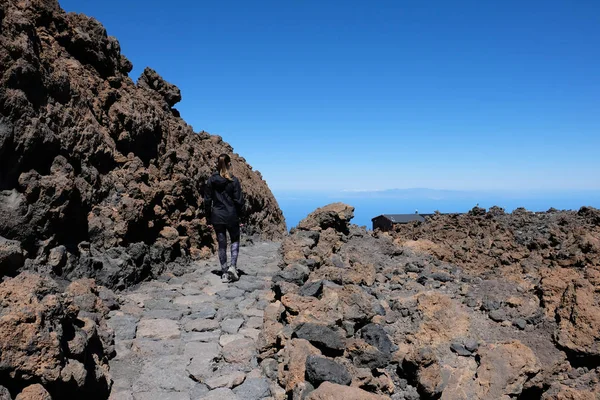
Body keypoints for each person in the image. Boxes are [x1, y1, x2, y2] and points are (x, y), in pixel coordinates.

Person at [204, 154, 245, 282]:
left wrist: (208, 218)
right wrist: (242, 217)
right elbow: (239, 201)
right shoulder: (233, 180)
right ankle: (233, 267)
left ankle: (224, 272)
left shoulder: (211, 180)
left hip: (217, 216)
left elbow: (207, 201)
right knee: (234, 240)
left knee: (222, 244)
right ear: (228, 164)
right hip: (231, 215)